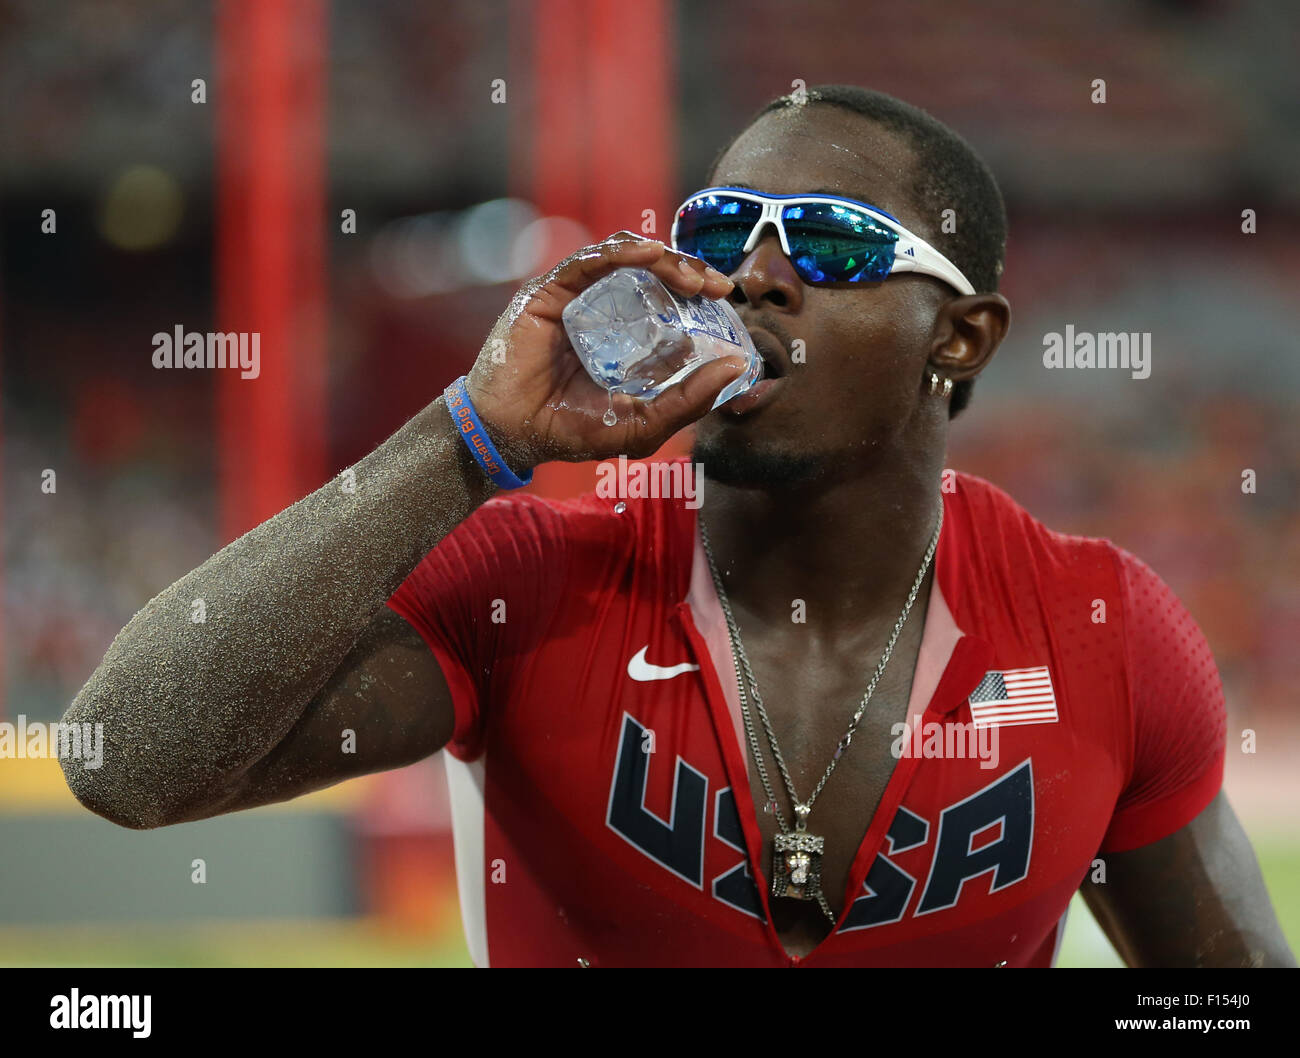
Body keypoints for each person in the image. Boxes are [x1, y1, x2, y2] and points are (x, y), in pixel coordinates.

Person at [61, 85, 1294, 968]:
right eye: (718, 229)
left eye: (826, 239)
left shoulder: (1100, 627)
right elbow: (125, 761)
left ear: (960, 338)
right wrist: (467, 439)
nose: (754, 274)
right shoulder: (537, 579)